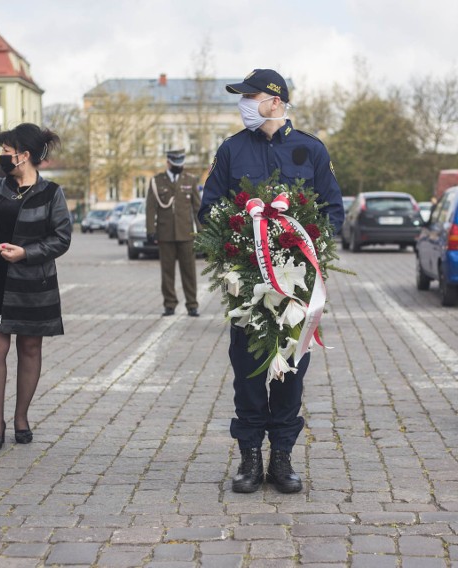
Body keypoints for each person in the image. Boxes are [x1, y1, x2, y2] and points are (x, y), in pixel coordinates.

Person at [199, 69, 344, 493]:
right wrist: (238, 242)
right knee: (246, 372)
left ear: (276, 101)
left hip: (295, 287)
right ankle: (249, 460)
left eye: (251, 95)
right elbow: (209, 210)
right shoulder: (230, 151)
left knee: (290, 373)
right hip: (247, 284)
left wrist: (309, 246)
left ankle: (282, 458)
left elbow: (332, 210)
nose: (243, 102)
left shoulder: (311, 149)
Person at [0, 123, 71, 452]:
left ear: (23, 156)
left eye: (7, 152)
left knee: (30, 349)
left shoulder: (52, 193)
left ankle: (21, 417)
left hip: (32, 284)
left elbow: (61, 238)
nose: (3, 157)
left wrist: (27, 253)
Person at [145, 149, 201, 317]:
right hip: (165, 234)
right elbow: (150, 207)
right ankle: (169, 304)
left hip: (186, 235)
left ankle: (192, 304)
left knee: (189, 271)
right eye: (176, 164)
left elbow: (197, 208)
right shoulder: (157, 181)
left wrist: (204, 232)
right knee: (167, 271)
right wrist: (150, 230)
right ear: (168, 162)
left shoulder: (190, 180)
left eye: (181, 164)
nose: (179, 167)